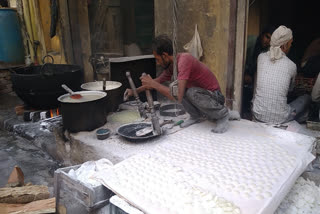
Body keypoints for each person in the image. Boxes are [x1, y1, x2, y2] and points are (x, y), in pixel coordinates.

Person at [124, 34, 239, 133]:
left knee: (189, 92)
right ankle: (196, 116)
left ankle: (223, 115)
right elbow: (155, 82)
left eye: (158, 59)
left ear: (164, 55)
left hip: (215, 96)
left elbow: (177, 96)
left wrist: (153, 84)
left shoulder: (184, 60)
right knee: (186, 91)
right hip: (204, 96)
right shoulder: (171, 66)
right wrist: (134, 91)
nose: (158, 63)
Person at [252, 25, 311, 124]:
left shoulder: (261, 57)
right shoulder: (291, 65)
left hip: (257, 114)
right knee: (306, 98)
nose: (291, 46)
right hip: (279, 118)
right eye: (290, 43)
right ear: (285, 45)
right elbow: (290, 90)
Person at [242, 26, 276, 118]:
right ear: (262, 35)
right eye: (267, 37)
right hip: (242, 72)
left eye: (270, 40)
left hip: (253, 77)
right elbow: (239, 58)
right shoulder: (251, 41)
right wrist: (243, 74)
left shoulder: (268, 51)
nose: (267, 41)